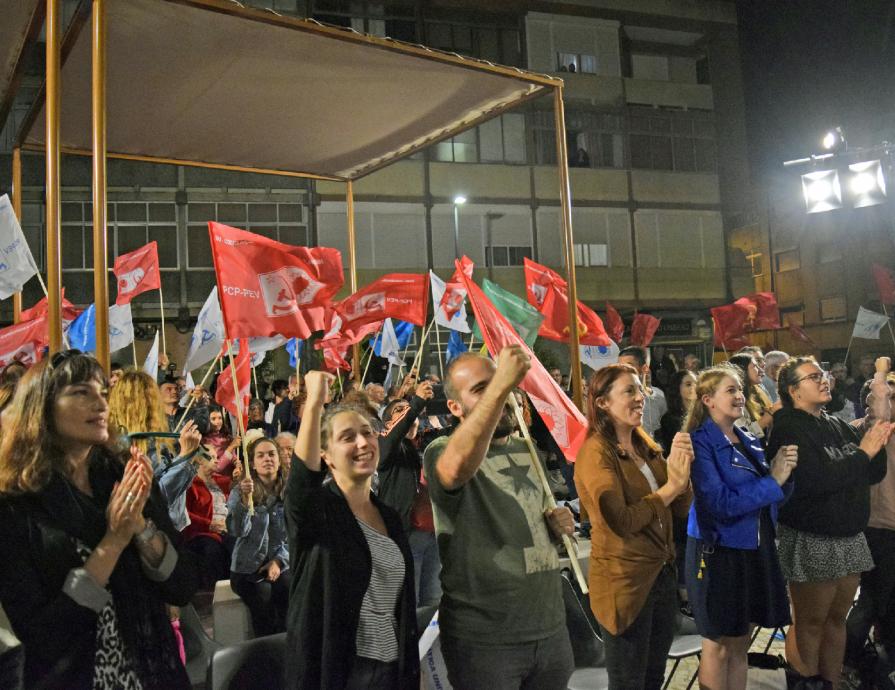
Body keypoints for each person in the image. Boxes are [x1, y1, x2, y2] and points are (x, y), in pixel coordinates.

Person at [0, 351, 199, 688]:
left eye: (103, 392)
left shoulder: (125, 477)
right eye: (81, 392)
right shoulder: (16, 504)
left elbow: (182, 586)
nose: (101, 404)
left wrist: (141, 529)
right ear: (41, 407)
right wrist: (113, 542)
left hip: (155, 673)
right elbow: (44, 635)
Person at [424, 349, 575, 690]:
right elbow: (455, 469)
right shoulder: (442, 450)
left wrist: (553, 526)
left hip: (549, 627)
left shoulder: (528, 447)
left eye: (501, 383)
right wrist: (501, 385)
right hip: (487, 639)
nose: (501, 392)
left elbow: (532, 520)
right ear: (454, 407)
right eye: (482, 389)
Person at [286, 371, 419, 689]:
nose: (363, 443)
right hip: (339, 673)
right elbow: (302, 481)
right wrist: (315, 402)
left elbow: (401, 608)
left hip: (391, 670)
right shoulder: (318, 512)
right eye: (347, 437)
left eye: (368, 433)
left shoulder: (389, 516)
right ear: (325, 455)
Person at [768, 356, 894, 689]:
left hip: (849, 535)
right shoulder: (789, 425)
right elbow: (817, 479)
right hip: (814, 536)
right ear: (793, 390)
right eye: (813, 377)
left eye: (822, 374)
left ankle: (831, 682)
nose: (823, 379)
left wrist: (873, 442)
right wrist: (862, 453)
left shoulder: (835, 423)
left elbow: (872, 472)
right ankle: (805, 683)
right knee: (810, 622)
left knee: (836, 620)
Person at [575, 363, 692, 690]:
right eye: (629, 390)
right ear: (602, 402)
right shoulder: (595, 453)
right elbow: (621, 521)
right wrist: (670, 489)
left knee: (653, 678)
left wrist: (683, 474)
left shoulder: (645, 445)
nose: (641, 397)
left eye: (641, 389)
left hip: (661, 576)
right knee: (629, 682)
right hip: (626, 585)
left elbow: (680, 508)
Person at [685, 366, 796, 690]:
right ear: (708, 400)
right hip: (719, 552)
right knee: (718, 645)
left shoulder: (747, 438)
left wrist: (785, 476)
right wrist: (774, 481)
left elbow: (767, 497)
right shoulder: (699, 442)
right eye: (730, 390)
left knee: (739, 643)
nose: (739, 396)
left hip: (754, 548)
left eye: (740, 390)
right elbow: (719, 504)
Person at [844, 369, 895, 680]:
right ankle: (846, 661)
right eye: (888, 397)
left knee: (886, 601)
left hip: (882, 527)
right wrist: (880, 373)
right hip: (878, 529)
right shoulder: (865, 431)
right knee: (872, 600)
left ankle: (882, 666)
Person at [377, 383, 441, 610]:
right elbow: (394, 434)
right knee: (408, 605)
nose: (407, 413)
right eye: (399, 410)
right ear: (388, 423)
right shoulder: (385, 445)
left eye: (408, 409)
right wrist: (415, 403)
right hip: (404, 536)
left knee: (432, 603)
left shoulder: (424, 444)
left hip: (431, 534)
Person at [227, 436, 290, 637]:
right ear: (252, 464)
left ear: (279, 460)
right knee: (263, 599)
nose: (267, 459)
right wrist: (245, 503)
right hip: (247, 568)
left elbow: (296, 535)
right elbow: (237, 531)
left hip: (280, 561)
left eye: (271, 454)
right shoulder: (240, 491)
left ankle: (288, 646)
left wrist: (278, 562)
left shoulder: (290, 491)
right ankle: (266, 648)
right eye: (260, 455)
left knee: (289, 591)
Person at [182, 450, 234, 590]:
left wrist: (239, 477)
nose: (217, 460)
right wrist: (209, 525)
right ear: (199, 460)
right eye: (212, 457)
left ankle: (237, 589)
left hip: (226, 530)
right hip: (203, 532)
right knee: (212, 550)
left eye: (217, 457)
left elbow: (237, 486)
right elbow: (183, 514)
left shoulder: (220, 481)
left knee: (239, 544)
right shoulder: (189, 483)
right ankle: (213, 594)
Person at [618, 345, 667, 436]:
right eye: (620, 367)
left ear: (644, 368)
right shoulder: (615, 396)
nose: (623, 371)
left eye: (628, 366)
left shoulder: (659, 396)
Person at [728, 353, 775, 439]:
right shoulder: (736, 399)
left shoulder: (757, 391)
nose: (760, 370)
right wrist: (770, 414)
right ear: (743, 370)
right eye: (755, 366)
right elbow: (743, 433)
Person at [657, 369, 697, 452]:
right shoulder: (669, 419)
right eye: (688, 384)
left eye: (696, 383)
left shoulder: (703, 414)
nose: (694, 387)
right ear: (677, 387)